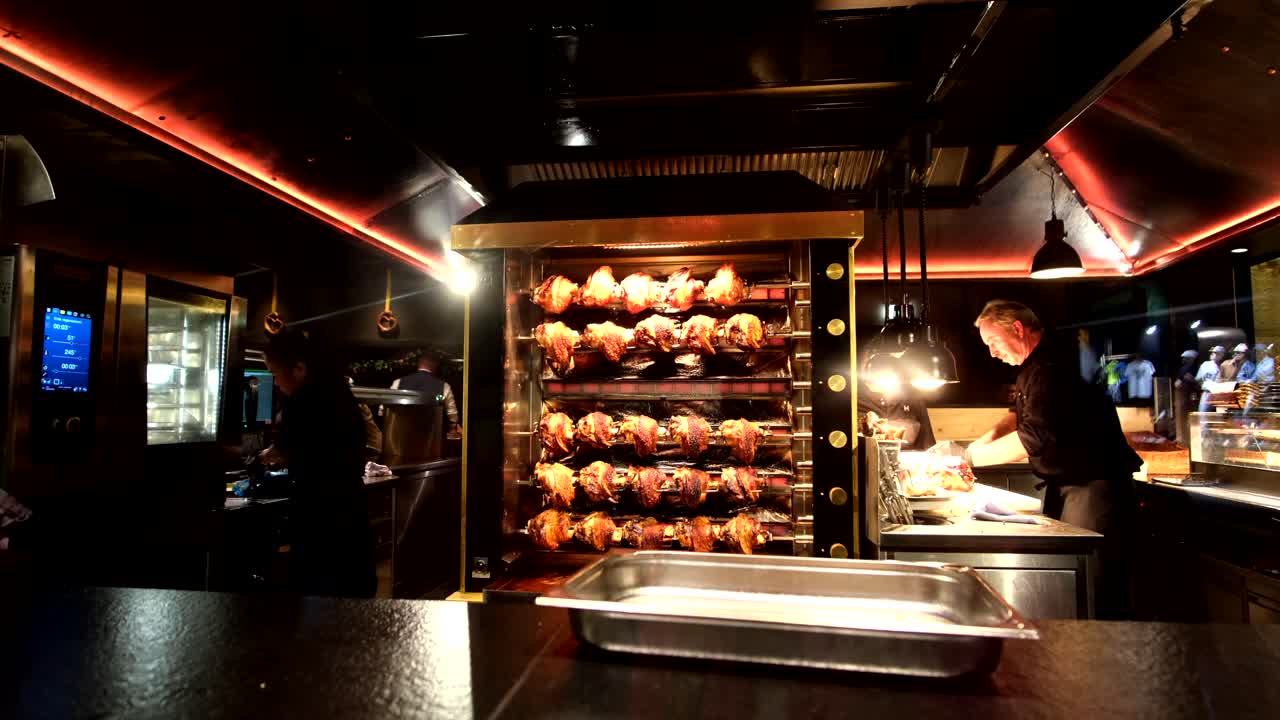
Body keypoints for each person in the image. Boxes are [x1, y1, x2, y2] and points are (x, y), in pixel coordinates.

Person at [966, 300, 1140, 619]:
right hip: (1070, 486)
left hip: (1093, 487)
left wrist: (968, 457)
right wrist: (983, 441)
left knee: (1094, 583)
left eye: (993, 342)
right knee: (1075, 578)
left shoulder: (1055, 366)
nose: (992, 353)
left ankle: (1101, 656)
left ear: (1017, 329)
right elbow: (1018, 416)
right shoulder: (1034, 366)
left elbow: (1033, 437)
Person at [259, 330, 376, 598]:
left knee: (320, 597)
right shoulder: (338, 391)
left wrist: (266, 456)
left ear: (298, 368)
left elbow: (287, 450)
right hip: (351, 514)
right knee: (351, 601)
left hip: (321, 521)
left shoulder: (304, 401)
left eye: (276, 375)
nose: (276, 383)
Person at [392, 351, 460, 437]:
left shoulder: (398, 382)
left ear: (419, 364)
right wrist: (452, 429)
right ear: (435, 365)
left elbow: (383, 410)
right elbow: (452, 414)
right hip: (432, 436)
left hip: (402, 435)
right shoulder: (444, 386)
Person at [857, 384, 935, 451]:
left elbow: (928, 444)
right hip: (865, 462)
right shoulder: (853, 398)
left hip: (906, 462)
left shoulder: (911, 397)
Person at [1173, 350, 1199, 447]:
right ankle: (1188, 441)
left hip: (1184, 395)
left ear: (1190, 359)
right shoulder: (1196, 368)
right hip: (1191, 396)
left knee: (1182, 418)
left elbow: (1177, 384)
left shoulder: (1185, 368)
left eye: (1185, 358)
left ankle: (1183, 441)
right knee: (1190, 418)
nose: (1183, 360)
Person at [1196, 345, 1225, 412]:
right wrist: (1206, 385)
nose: (1212, 354)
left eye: (1215, 353)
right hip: (1208, 392)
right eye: (1212, 353)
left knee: (1221, 415)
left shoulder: (1224, 365)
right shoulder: (1206, 364)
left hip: (1221, 393)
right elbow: (1198, 379)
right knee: (1203, 415)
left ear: (1221, 355)